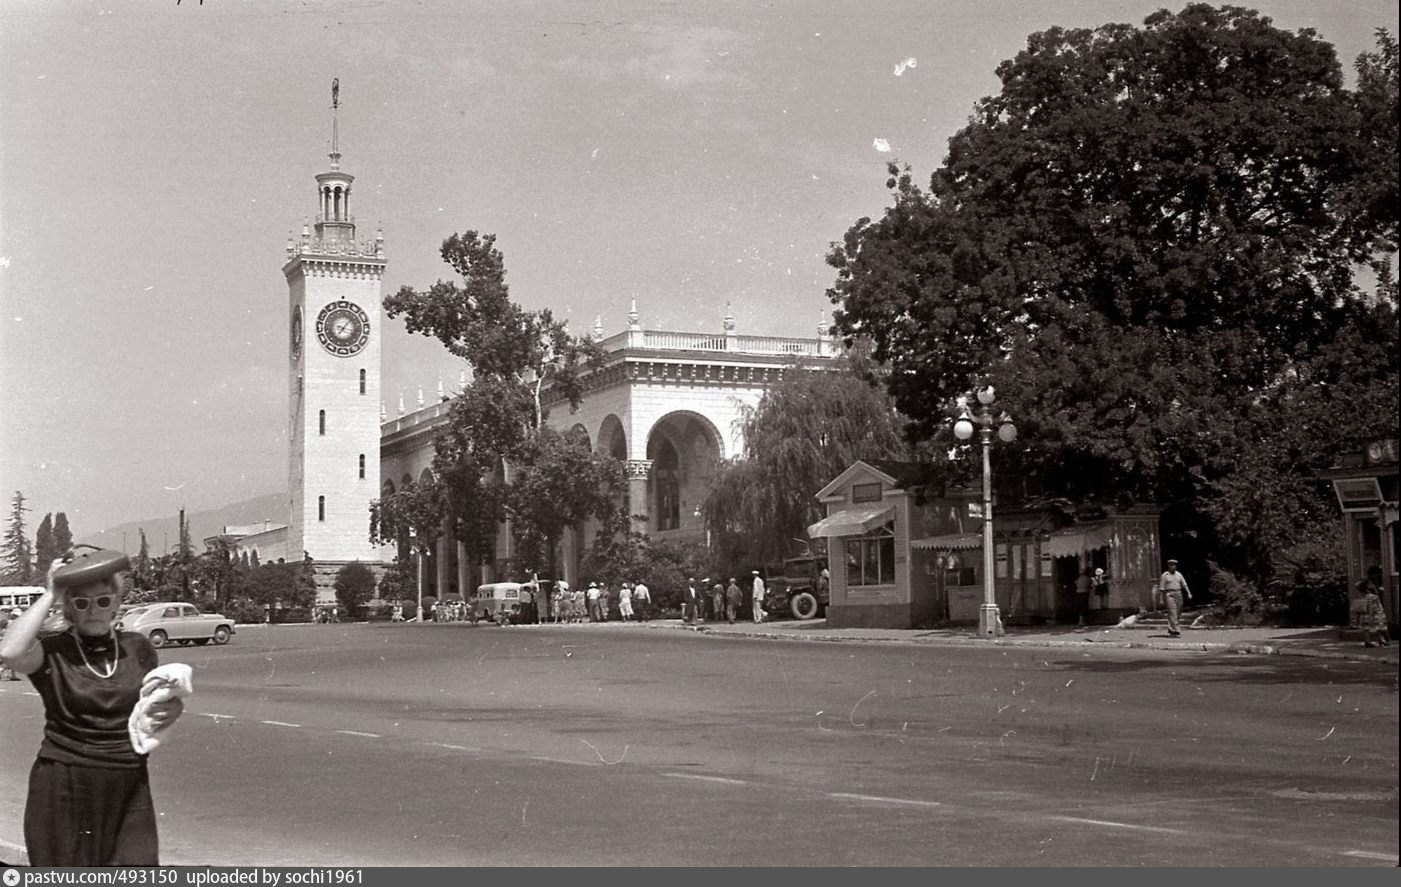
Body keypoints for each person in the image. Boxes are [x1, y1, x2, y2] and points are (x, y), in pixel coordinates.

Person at [0, 547, 185, 866]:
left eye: (102, 600)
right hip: (65, 787)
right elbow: (10, 652)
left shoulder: (138, 648)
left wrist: (173, 709)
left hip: (129, 784)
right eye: (81, 602)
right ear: (69, 608)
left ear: (115, 601)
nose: (93, 610)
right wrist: (51, 592)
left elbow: (153, 705)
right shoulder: (53, 651)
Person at [1157, 559, 1191, 637]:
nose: (1173, 566)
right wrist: (1161, 599)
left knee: (1178, 612)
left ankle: (1171, 628)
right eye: (1172, 565)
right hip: (1169, 594)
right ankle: (1175, 630)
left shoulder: (1179, 574)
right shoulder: (1165, 575)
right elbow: (1161, 588)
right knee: (1172, 612)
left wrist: (1189, 593)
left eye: (1175, 565)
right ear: (1168, 566)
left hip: (1178, 593)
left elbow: (1184, 584)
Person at [1357, 578, 1390, 648]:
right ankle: (1381, 640)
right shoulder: (1373, 597)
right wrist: (1381, 612)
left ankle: (1367, 641)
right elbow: (1377, 606)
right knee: (1379, 627)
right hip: (1374, 614)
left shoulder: (1361, 596)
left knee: (1366, 628)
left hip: (1364, 614)